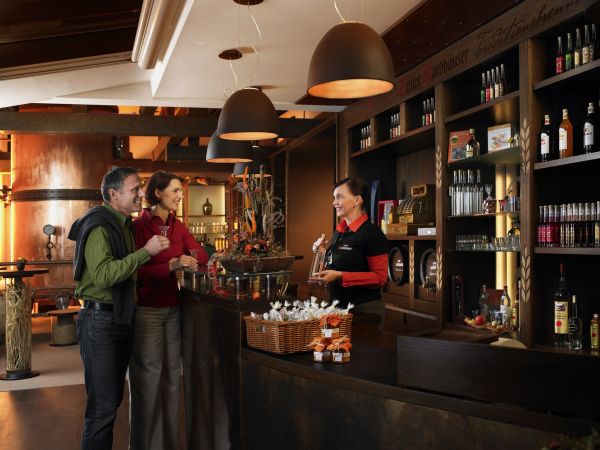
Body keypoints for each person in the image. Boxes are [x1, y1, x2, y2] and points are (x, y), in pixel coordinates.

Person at [69, 167, 170, 450]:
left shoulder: (124, 224)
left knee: (111, 400)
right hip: (99, 320)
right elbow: (103, 275)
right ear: (114, 194)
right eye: (135, 189)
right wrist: (146, 252)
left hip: (117, 316)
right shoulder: (99, 225)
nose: (141, 194)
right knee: (102, 408)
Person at [129, 171, 208, 450]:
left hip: (173, 309)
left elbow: (201, 255)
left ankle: (172, 444)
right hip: (147, 311)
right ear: (158, 192)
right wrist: (172, 265)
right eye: (174, 190)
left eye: (180, 191)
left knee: (173, 378)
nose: (179, 195)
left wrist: (187, 255)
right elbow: (134, 272)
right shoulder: (139, 226)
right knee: (148, 381)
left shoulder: (178, 225)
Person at [315, 177, 388, 326]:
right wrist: (320, 252)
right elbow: (336, 265)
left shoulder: (372, 234)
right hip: (337, 307)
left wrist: (340, 276)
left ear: (357, 200)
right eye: (334, 198)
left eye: (340, 197)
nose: (334, 202)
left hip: (364, 310)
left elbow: (380, 278)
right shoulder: (340, 231)